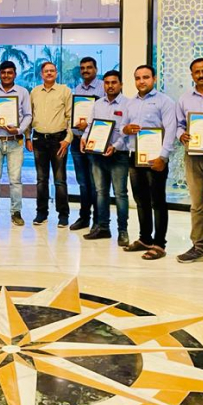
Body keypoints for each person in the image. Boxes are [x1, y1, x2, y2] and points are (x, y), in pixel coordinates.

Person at [122, 65, 176, 260]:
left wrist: (163, 157)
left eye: (145, 77)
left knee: (157, 202)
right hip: (135, 157)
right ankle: (145, 238)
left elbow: (170, 131)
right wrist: (126, 129)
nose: (141, 81)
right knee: (140, 200)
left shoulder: (165, 102)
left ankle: (159, 244)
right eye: (137, 78)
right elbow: (122, 127)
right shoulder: (130, 103)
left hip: (156, 159)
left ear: (154, 78)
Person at [176, 58, 203, 273]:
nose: (201, 74)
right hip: (192, 157)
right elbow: (179, 125)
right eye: (196, 72)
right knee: (197, 205)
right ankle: (198, 249)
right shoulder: (184, 99)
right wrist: (181, 135)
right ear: (191, 74)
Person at [81, 70, 130, 246]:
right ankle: (103, 228)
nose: (110, 85)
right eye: (107, 83)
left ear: (121, 84)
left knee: (120, 194)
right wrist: (84, 138)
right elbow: (90, 126)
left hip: (119, 155)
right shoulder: (98, 104)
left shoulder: (128, 104)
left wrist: (114, 147)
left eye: (114, 82)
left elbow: (126, 133)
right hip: (98, 155)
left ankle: (122, 231)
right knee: (101, 192)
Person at [0, 61, 32, 227]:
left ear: (15, 74)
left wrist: (19, 130)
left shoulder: (23, 92)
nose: (6, 75)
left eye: (9, 73)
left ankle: (16, 212)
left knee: (15, 180)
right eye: (3, 72)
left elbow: (28, 115)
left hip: (14, 142)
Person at [25, 61, 72, 228]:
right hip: (39, 140)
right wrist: (27, 137)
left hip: (59, 140)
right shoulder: (35, 92)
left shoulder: (65, 91)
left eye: (52, 71)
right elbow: (29, 116)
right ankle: (41, 213)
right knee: (41, 179)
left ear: (56, 73)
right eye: (46, 71)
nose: (49, 73)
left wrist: (68, 139)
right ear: (41, 74)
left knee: (60, 180)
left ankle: (63, 214)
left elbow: (70, 117)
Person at [69, 57, 104, 231]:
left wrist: (89, 125)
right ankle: (84, 218)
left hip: (94, 142)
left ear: (95, 69)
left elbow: (107, 115)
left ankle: (99, 221)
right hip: (77, 141)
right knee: (82, 182)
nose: (85, 71)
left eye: (89, 68)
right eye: (82, 68)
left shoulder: (104, 88)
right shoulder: (77, 89)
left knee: (96, 183)